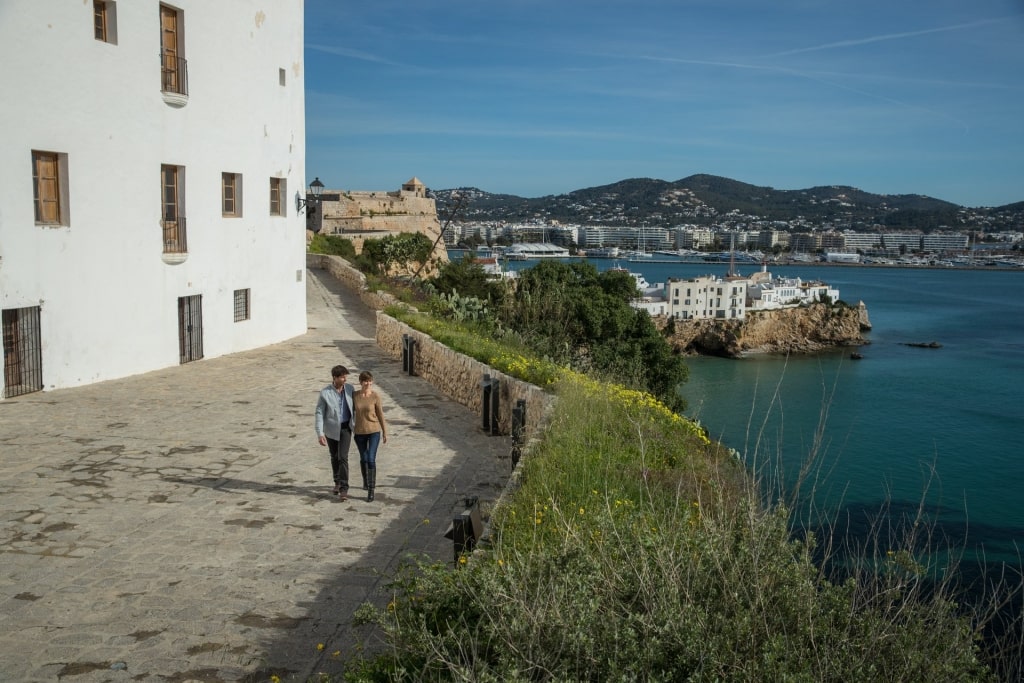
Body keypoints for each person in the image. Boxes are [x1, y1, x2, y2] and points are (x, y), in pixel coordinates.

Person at [314, 365, 355, 500]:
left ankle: (344, 488)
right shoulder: (325, 393)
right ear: (335, 378)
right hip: (331, 429)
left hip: (346, 428)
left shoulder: (350, 389)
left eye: (345, 377)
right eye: (342, 377)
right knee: (334, 456)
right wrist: (320, 433)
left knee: (343, 457)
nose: (345, 379)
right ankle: (337, 481)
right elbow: (319, 413)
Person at [353, 370, 388, 502]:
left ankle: (371, 490)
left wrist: (385, 432)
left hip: (373, 431)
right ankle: (365, 481)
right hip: (360, 432)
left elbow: (380, 414)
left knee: (371, 458)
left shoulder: (375, 396)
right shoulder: (355, 395)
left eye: (369, 381)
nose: (367, 383)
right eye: (365, 381)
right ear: (360, 382)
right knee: (364, 458)